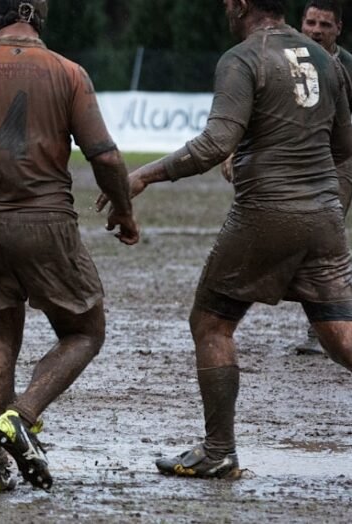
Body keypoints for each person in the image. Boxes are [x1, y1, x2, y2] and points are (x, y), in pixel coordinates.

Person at [99, 0, 352, 479]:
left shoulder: (242, 57)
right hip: (325, 215)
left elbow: (215, 144)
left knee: (211, 323)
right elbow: (343, 147)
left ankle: (219, 451)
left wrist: (144, 177)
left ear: (239, 5)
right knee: (340, 336)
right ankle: (218, 450)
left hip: (266, 213)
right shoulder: (326, 60)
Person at [0, 0, 139, 494]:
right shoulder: (68, 72)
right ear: (37, 15)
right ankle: (22, 416)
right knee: (85, 331)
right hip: (45, 221)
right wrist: (122, 209)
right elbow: (106, 156)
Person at [289, 0, 352, 355]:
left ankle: (322, 330)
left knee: (324, 244)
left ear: (338, 29)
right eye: (310, 22)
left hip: (338, 162)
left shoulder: (348, 68)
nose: (315, 30)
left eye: (324, 24)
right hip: (294, 162)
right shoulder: (287, 61)